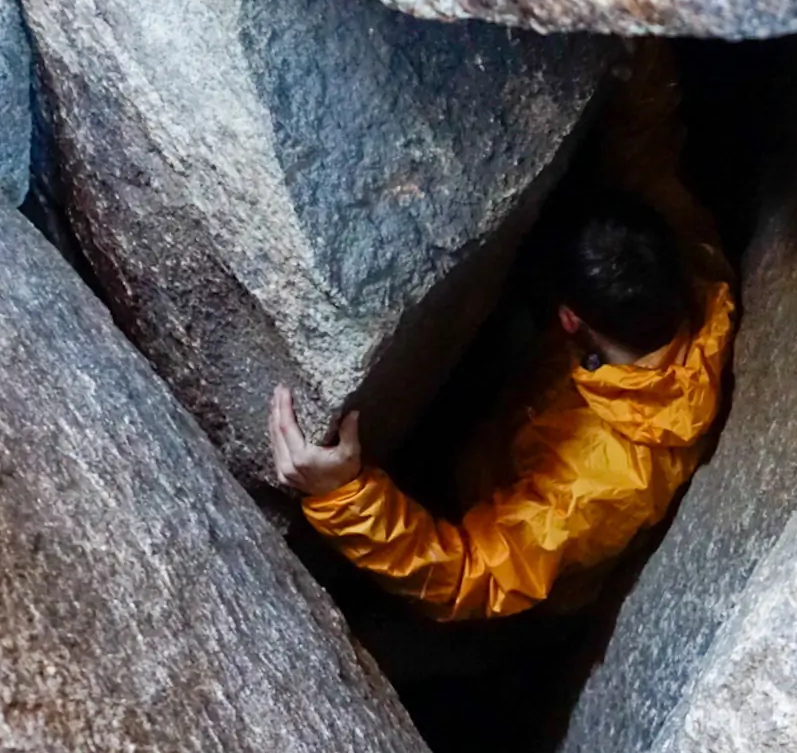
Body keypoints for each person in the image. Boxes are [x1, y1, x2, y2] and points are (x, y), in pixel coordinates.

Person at [267, 192, 735, 621]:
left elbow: (472, 575)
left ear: (570, 317)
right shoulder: (685, 262)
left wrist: (345, 496)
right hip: (512, 422)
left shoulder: (603, 484)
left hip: (508, 545)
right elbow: (645, 149)